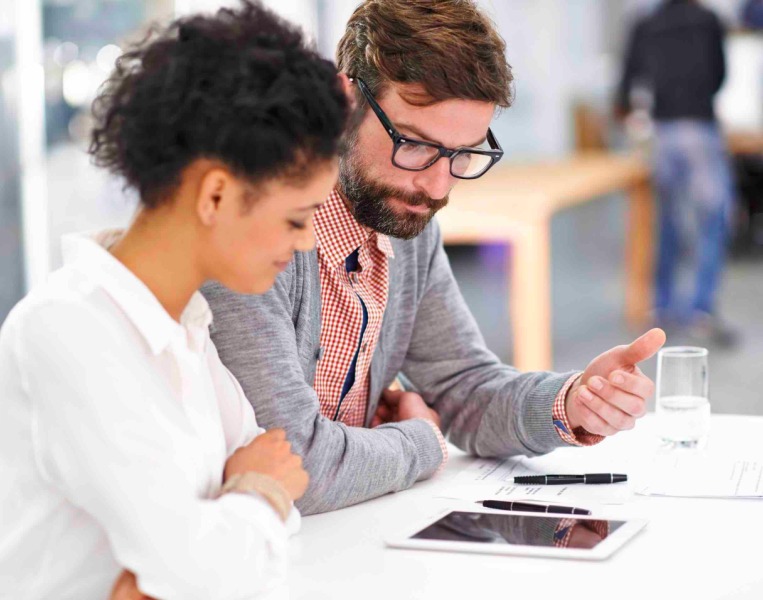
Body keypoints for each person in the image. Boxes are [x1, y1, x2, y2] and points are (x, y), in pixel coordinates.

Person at [202, 0, 667, 517]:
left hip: (343, 535)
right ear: (345, 102)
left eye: (464, 153)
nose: (438, 186)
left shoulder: (406, 227)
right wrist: (421, 442)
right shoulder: (259, 235)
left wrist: (572, 400)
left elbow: (462, 386)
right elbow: (293, 467)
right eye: (417, 145)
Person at [0, 3, 348, 599]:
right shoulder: (68, 331)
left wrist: (226, 521)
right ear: (216, 195)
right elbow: (215, 554)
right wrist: (248, 498)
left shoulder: (186, 327)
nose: (305, 246)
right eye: (296, 220)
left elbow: (281, 476)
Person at [616, 0, 736, 345]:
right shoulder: (709, 20)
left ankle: (663, 307)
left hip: (664, 132)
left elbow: (628, 79)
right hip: (700, 127)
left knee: (666, 221)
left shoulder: (646, 22)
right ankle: (701, 310)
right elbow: (720, 75)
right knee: (712, 220)